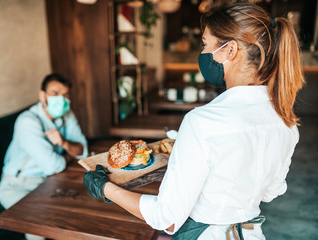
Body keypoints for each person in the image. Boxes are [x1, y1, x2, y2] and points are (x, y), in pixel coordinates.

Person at [83, 2, 305, 239]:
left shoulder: (202, 122)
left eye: (206, 44)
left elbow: (166, 218)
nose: (203, 52)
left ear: (230, 51)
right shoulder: (286, 122)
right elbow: (271, 192)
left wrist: (104, 188)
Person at [0, 73, 88, 239]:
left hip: (49, 181)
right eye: (55, 93)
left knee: (81, 212)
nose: (61, 99)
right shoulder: (27, 121)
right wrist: (68, 156)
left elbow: (82, 150)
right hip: (18, 185)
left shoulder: (66, 113)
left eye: (65, 95)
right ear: (42, 95)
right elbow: (55, 165)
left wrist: (64, 144)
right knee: (38, 229)